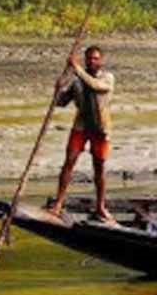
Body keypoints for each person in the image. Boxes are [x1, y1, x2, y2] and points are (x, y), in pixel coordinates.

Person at [47, 45, 115, 222]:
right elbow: (61, 102)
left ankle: (100, 207)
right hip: (81, 126)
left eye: (95, 58)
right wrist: (57, 90)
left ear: (101, 61)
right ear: (86, 60)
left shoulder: (107, 78)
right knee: (69, 162)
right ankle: (58, 202)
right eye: (89, 59)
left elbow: (95, 86)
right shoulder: (77, 81)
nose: (92, 61)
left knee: (99, 168)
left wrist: (75, 67)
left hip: (100, 128)